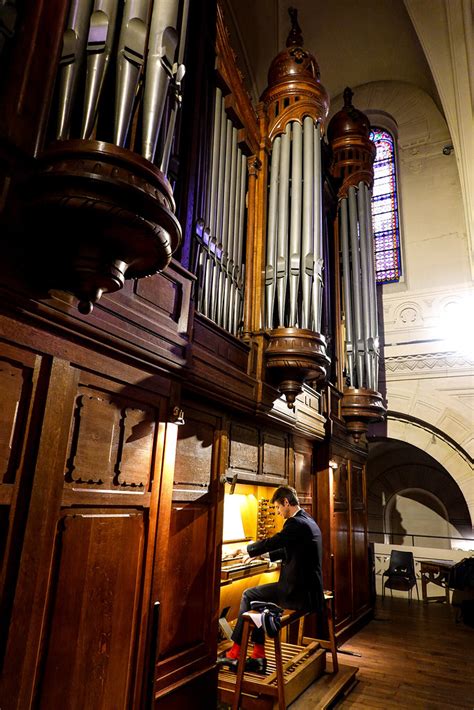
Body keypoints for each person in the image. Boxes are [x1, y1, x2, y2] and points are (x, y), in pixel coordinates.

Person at [218, 485, 325, 674]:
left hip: (298, 592)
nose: (277, 512)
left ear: (286, 502)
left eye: (277, 508)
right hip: (308, 589)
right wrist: (262, 556)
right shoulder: (307, 519)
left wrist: (245, 549)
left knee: (249, 595)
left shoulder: (294, 523)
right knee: (257, 601)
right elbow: (287, 549)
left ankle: (236, 653)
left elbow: (275, 541)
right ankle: (257, 656)